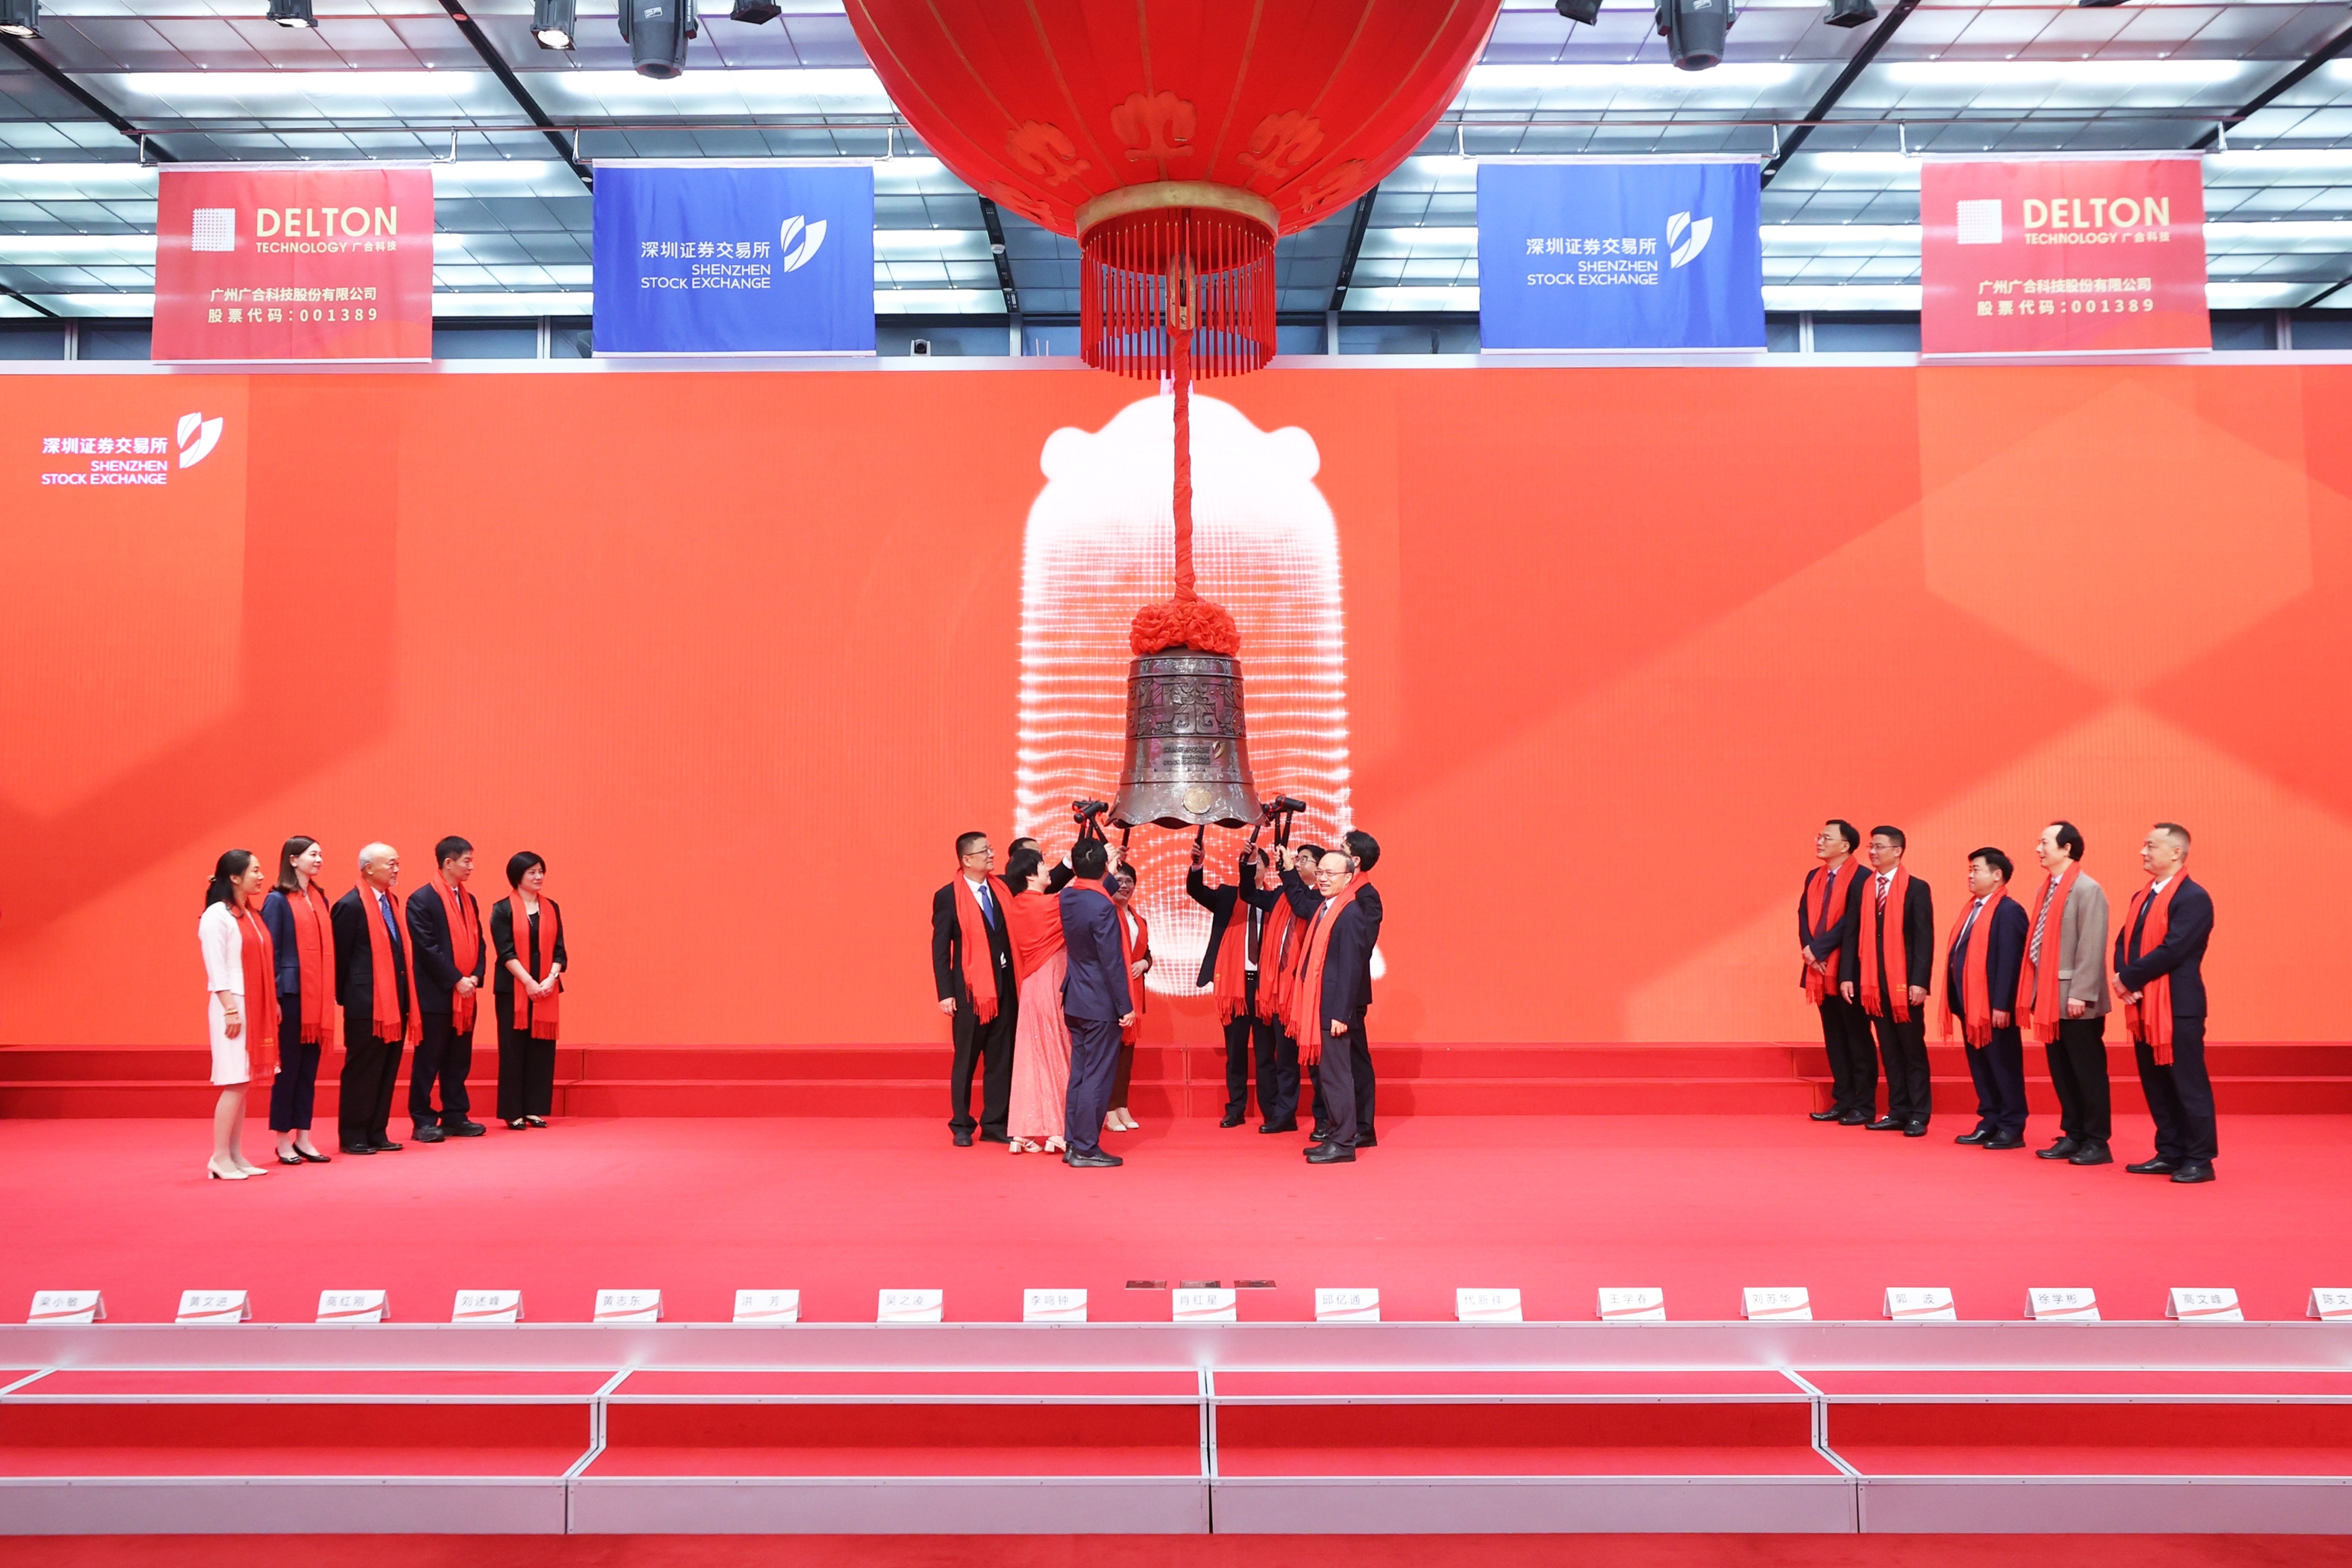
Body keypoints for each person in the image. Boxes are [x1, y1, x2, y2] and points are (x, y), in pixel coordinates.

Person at [2114, 822, 2217, 1185]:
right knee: (2156, 1083)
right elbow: (2123, 942)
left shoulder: (2193, 897)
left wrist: (2129, 978)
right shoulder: (2141, 897)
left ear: (2176, 852)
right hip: (2145, 1003)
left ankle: (2200, 1160)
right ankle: (2170, 1151)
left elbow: (2175, 949)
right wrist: (2124, 978)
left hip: (2178, 1006)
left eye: (2151, 846)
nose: (2143, 852)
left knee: (2187, 1083)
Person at [2019, 821, 2113, 1166]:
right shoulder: (2047, 889)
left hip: (2075, 1000)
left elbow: (2092, 944)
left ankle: (2097, 1141)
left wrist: (2081, 993)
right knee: (2062, 1071)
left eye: (2044, 842)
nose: (2038, 849)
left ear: (2067, 848)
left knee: (2087, 1072)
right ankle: (2074, 1134)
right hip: (2050, 998)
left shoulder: (2088, 889)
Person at [1842, 827, 1934, 1137]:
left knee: (1912, 1050)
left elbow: (1924, 939)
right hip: (1872, 984)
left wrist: (1920, 981)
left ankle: (1919, 1114)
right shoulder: (1863, 888)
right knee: (1890, 1052)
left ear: (1897, 851)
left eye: (1879, 846)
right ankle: (1898, 1111)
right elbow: (1852, 934)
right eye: (1871, 846)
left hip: (1904, 985)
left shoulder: (1916, 888)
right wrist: (1848, 975)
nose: (1872, 851)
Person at [1298, 838, 1383, 1164]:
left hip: (1334, 1008)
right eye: (1320, 872)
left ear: (1349, 877)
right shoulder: (1328, 908)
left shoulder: (1349, 914)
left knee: (1337, 1075)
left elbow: (1351, 968)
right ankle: (1336, 1135)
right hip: (1321, 1002)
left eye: (1330, 874)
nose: (1323, 878)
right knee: (1329, 1075)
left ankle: (1344, 1143)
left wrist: (1342, 1013)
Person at [331, 843, 418, 1155]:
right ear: (368, 868)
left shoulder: (392, 902)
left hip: (395, 1002)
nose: (396, 870)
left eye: (397, 863)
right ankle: (353, 1134)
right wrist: (349, 997)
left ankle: (377, 1131)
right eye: (390, 864)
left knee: (386, 1068)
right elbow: (340, 958)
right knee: (362, 1070)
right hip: (365, 1004)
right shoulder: (350, 905)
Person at [933, 831, 1017, 1147]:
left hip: (1004, 988)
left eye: (991, 849)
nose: (992, 854)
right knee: (966, 1060)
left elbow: (1046, 884)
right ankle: (961, 1124)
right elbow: (941, 949)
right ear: (967, 860)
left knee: (1001, 1059)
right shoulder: (947, 896)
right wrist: (946, 993)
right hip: (970, 993)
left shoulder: (1002, 888)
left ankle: (995, 1123)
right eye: (985, 851)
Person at [199, 849, 277, 1181]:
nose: (261, 876)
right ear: (234, 877)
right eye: (254, 871)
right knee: (234, 1081)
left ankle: (234, 1153)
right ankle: (219, 1156)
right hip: (233, 1004)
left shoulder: (249, 914)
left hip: (254, 1003)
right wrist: (230, 1009)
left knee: (243, 1081)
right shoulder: (217, 915)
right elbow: (216, 968)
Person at [1944, 848, 2029, 1150]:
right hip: (1970, 1005)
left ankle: (2011, 1126)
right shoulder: (1972, 908)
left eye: (1976, 869)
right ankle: (1990, 1120)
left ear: (1997, 875)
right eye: (1970, 869)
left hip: (1994, 1008)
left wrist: (2002, 1004)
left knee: (2003, 1067)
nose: (1970, 875)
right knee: (1982, 1067)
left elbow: (2011, 962)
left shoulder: (2008, 911)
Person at [405, 835, 488, 1143]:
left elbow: (479, 941)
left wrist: (476, 976)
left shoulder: (469, 899)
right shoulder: (421, 899)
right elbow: (426, 948)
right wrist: (456, 979)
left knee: (458, 1058)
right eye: (467, 861)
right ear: (448, 863)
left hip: (466, 994)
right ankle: (423, 1119)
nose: (471, 867)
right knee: (429, 1059)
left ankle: (455, 1115)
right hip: (436, 994)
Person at [1058, 838, 1133, 1168]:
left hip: (1076, 999)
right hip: (1100, 1003)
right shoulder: (1103, 908)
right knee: (1097, 1078)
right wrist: (1125, 1006)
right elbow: (1112, 962)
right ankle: (1087, 1148)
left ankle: (1074, 1143)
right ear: (1103, 866)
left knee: (1080, 1075)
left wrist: (1108, 870)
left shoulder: (1068, 896)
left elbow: (1095, 890)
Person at [260, 836, 334, 1165]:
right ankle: (282, 1139)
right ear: (293, 860)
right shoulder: (277, 900)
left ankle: (303, 1136)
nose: (318, 860)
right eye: (312, 854)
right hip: (291, 994)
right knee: (288, 1070)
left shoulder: (320, 898)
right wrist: (274, 997)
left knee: (308, 1071)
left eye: (320, 854)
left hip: (316, 997)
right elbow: (270, 953)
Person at [1188, 837, 1270, 1129]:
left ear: (1266, 870)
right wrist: (1197, 865)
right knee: (1236, 1054)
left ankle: (1271, 1111)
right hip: (1233, 986)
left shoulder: (1276, 900)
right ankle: (1235, 1109)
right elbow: (1196, 890)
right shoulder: (1226, 896)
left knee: (1266, 1054)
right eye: (1245, 864)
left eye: (1255, 864)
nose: (1249, 868)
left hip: (1266, 988)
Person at [1799, 820, 1876, 1125]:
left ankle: (1864, 1104)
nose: (1819, 841)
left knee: (1857, 1037)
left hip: (1848, 970)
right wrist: (1810, 949)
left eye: (1826, 838)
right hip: (1818, 969)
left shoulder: (1862, 877)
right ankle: (1842, 1100)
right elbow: (1804, 914)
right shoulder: (1813, 876)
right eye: (1819, 836)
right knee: (1834, 1037)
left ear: (1845, 846)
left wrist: (1820, 949)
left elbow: (1852, 921)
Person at [1002, 843, 1072, 1155]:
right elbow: (1081, 902)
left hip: (1032, 986)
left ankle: (1021, 1131)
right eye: (1043, 864)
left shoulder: (1018, 904)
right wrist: (1105, 871)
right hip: (1051, 982)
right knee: (1058, 1051)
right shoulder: (1046, 905)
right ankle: (1057, 1129)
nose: (1048, 869)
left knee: (1031, 1057)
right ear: (1031, 875)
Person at [493, 851, 566, 1130]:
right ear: (517, 877)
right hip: (513, 990)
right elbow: (505, 952)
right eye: (532, 873)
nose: (538, 877)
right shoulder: (502, 909)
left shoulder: (552, 908)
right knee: (513, 1050)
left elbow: (560, 950)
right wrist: (528, 982)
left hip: (546, 989)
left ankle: (534, 1108)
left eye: (541, 871)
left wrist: (550, 979)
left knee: (541, 1051)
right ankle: (513, 1111)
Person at [1106, 864, 1151, 1133]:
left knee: (1126, 1056)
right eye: (1119, 880)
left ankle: (1121, 1105)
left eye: (1129, 881)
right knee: (1109, 1055)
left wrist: (1145, 964)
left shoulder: (1139, 919)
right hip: (1111, 993)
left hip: (1134, 994)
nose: (1124, 886)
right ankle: (1108, 1109)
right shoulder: (1105, 913)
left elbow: (1147, 953)